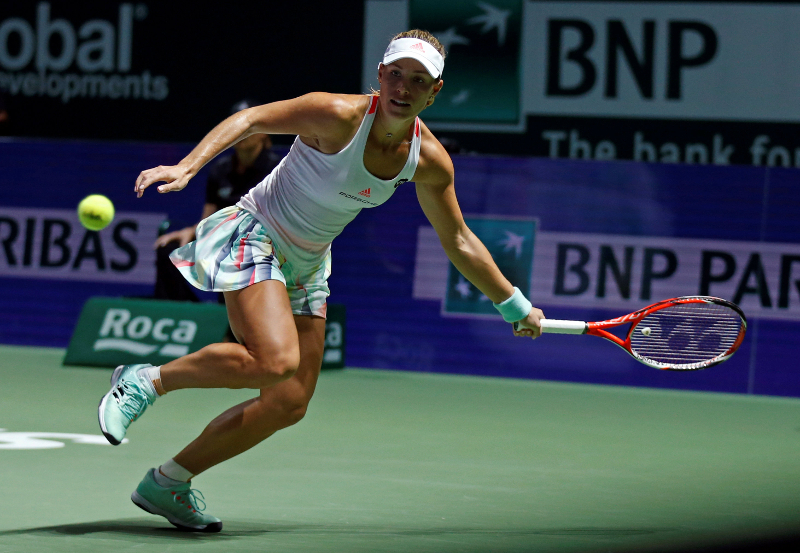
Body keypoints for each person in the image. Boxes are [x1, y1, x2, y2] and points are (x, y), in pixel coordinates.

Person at [98, 30, 545, 533]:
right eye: (395, 74)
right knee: (275, 361)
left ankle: (168, 482)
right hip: (258, 232)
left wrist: (514, 306)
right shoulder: (335, 115)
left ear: (433, 92)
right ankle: (145, 381)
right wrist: (187, 166)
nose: (403, 87)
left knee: (289, 401)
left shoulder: (429, 160)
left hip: (309, 263)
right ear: (379, 75)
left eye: (418, 81)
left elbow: (459, 240)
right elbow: (252, 119)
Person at [153, 99, 281, 302]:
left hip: (259, 245)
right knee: (168, 250)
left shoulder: (276, 170)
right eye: (237, 125)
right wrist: (191, 231)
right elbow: (208, 219)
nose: (242, 132)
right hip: (220, 236)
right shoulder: (220, 169)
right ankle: (184, 315)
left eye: (250, 126)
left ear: (264, 132)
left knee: (236, 253)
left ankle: (229, 324)